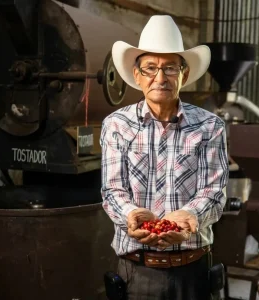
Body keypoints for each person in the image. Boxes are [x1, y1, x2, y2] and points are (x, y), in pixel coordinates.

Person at [100, 15, 229, 300]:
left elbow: (214, 193)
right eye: (150, 68)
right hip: (137, 271)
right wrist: (131, 215)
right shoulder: (117, 125)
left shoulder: (210, 126)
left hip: (193, 270)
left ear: (184, 73)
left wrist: (191, 217)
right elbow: (112, 191)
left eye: (170, 67)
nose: (160, 78)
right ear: (137, 75)